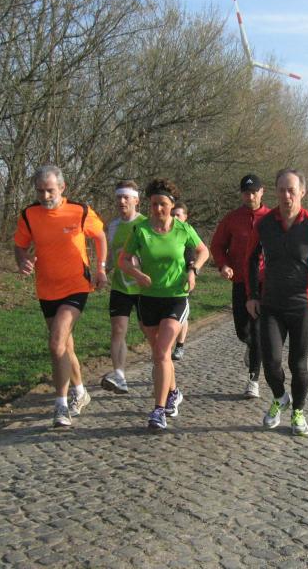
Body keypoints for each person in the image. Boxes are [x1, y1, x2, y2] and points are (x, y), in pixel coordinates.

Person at [245, 168, 308, 436]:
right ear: (275, 192)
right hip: (271, 304)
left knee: (298, 364)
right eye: (282, 190)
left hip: (302, 305)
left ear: (302, 192)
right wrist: (252, 295)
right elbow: (250, 260)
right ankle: (280, 398)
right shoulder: (264, 225)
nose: (286, 196)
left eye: (291, 190)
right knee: (271, 361)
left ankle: (298, 411)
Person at [13, 165, 108, 428]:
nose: (45, 196)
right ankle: (80, 391)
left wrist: (101, 268)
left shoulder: (79, 211)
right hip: (46, 289)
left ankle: (61, 406)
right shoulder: (29, 215)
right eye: (40, 191)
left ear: (62, 188)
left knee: (56, 343)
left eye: (50, 190)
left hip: (76, 286)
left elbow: (100, 236)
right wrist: (22, 260)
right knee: (65, 346)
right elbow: (19, 245)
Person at [119, 178, 209, 430]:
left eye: (163, 204)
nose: (158, 209)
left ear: (171, 205)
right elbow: (123, 260)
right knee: (161, 355)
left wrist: (193, 270)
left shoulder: (183, 229)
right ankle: (173, 392)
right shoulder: (140, 230)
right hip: (148, 298)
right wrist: (137, 274)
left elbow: (203, 251)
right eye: (154, 204)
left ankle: (158, 411)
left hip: (176, 297)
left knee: (161, 352)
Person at [210, 174, 271, 398]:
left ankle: (253, 380)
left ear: (262, 192)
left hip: (263, 283)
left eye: (254, 192)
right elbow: (217, 245)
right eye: (246, 193)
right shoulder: (232, 218)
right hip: (239, 281)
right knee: (242, 331)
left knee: (257, 331)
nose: (250, 196)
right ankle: (250, 345)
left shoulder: (271, 218)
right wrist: (223, 265)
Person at [101, 180, 145, 395]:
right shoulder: (112, 226)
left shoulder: (146, 224)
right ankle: (119, 375)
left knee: (150, 332)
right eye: (119, 197)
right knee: (118, 330)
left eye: (126, 197)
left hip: (145, 287)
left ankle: (162, 370)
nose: (122, 201)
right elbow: (111, 256)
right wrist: (102, 272)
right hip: (120, 286)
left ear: (136, 200)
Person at [170, 202, 193, 361]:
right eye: (173, 215)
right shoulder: (164, 232)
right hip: (165, 281)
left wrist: (191, 270)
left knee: (182, 315)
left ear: (185, 217)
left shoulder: (187, 233)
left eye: (178, 215)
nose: (175, 218)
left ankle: (180, 345)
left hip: (183, 280)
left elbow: (192, 255)